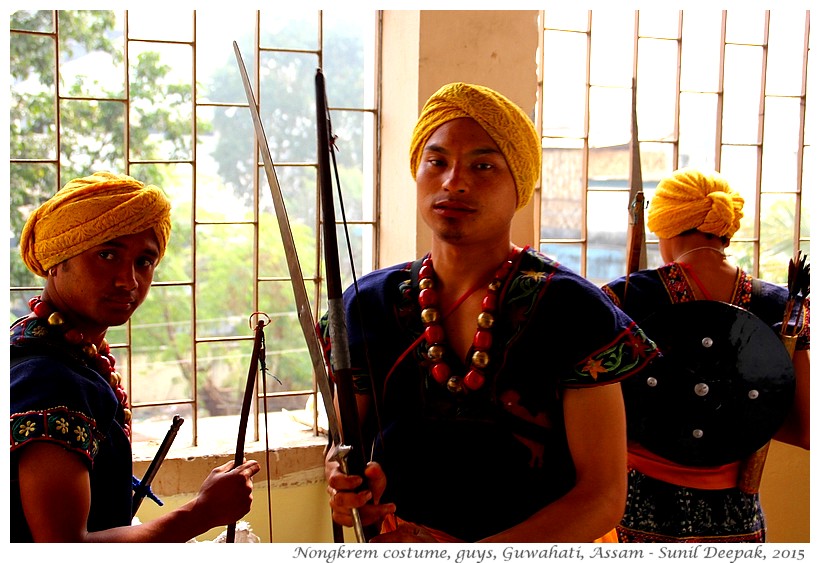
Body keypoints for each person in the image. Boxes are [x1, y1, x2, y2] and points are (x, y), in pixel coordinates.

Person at [321, 83, 659, 543]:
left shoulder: (573, 310)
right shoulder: (368, 304)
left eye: (482, 165)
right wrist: (346, 487)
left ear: (518, 182)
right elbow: (346, 446)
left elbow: (601, 495)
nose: (453, 181)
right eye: (436, 161)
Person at [10, 171, 261, 542]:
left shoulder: (44, 340)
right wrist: (201, 512)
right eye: (107, 254)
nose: (127, 281)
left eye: (144, 261)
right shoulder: (52, 380)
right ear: (56, 260)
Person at [602, 168, 810, 542]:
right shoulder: (781, 305)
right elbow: (807, 428)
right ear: (725, 230)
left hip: (638, 509)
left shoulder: (624, 297)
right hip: (736, 519)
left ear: (665, 224)